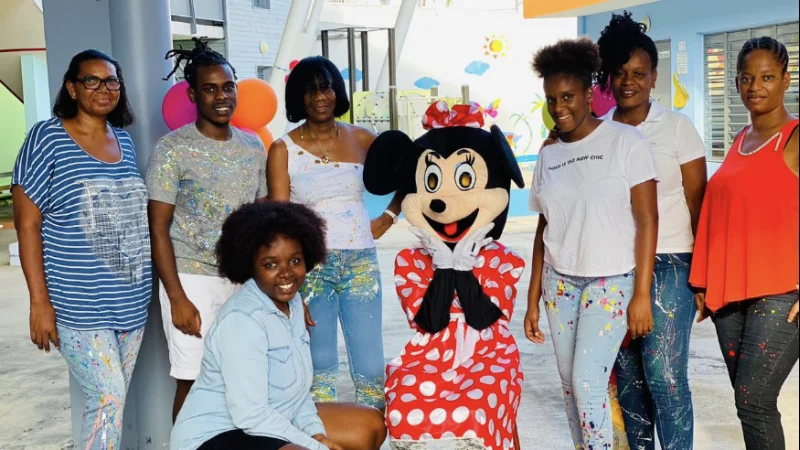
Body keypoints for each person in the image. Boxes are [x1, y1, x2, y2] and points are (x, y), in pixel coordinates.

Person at [362, 101, 527, 450]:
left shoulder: (503, 260)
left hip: (490, 354)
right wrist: (445, 265)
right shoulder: (410, 261)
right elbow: (431, 321)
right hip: (429, 354)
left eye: (465, 180)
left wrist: (462, 267)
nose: (444, 203)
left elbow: (482, 318)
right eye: (432, 182)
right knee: (403, 407)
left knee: (475, 412)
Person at [523, 37, 659, 450]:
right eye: (551, 99)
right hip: (559, 285)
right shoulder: (548, 156)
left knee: (587, 383)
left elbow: (648, 219)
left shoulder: (626, 142)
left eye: (567, 97)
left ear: (588, 94)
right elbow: (544, 231)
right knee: (570, 387)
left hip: (611, 282)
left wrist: (641, 294)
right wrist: (532, 299)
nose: (558, 107)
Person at [12, 50, 150, 450]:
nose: (103, 89)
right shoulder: (47, 138)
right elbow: (28, 224)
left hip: (131, 300)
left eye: (111, 81)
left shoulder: (124, 141)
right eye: (91, 80)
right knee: (108, 397)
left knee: (111, 403)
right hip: (78, 302)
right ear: (72, 88)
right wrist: (39, 303)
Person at [170, 201, 387, 450]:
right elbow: (250, 415)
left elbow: (299, 394)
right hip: (216, 434)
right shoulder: (242, 320)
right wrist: (317, 448)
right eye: (270, 264)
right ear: (250, 265)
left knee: (369, 426)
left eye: (295, 260)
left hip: (276, 416)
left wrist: (317, 436)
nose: (286, 273)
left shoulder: (293, 304)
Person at [593, 12, 708, 449]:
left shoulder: (677, 128)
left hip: (672, 263)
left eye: (639, 73)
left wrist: (704, 276)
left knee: (665, 376)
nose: (629, 82)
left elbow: (699, 206)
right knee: (628, 378)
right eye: (621, 73)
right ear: (609, 76)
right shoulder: (599, 133)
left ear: (654, 77)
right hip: (615, 267)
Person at [267, 56, 401, 410]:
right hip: (311, 269)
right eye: (309, 91)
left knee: (371, 369)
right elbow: (281, 221)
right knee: (320, 367)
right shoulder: (282, 149)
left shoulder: (363, 138)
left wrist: (389, 216)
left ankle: (371, 434)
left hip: (361, 264)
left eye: (325, 88)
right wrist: (290, 282)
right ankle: (320, 436)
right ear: (298, 98)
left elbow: (411, 168)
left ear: (337, 91)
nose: (319, 97)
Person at [145, 37, 268, 421]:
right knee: (194, 382)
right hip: (191, 280)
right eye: (210, 88)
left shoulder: (253, 147)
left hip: (243, 281)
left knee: (244, 379)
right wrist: (177, 298)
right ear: (193, 94)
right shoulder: (172, 149)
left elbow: (263, 220)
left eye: (228, 87)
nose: (221, 96)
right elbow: (158, 228)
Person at [690, 36, 799, 450]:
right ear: (736, 83)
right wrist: (704, 278)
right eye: (747, 78)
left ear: (786, 79)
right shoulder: (740, 139)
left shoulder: (795, 137)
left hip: (782, 292)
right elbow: (723, 213)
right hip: (731, 295)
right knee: (748, 404)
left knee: (755, 401)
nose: (756, 86)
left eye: (767, 77)